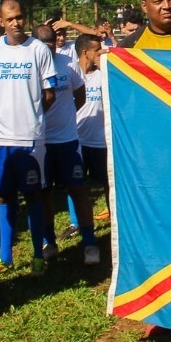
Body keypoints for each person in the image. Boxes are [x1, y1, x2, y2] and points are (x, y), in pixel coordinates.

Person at [0, 0, 57, 275]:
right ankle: (5, 256)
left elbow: (50, 92)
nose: (16, 23)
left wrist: (30, 115)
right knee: (4, 196)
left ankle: (38, 254)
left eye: (20, 17)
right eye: (10, 19)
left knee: (34, 196)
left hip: (30, 138)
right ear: (1, 21)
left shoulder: (38, 49)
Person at [31, 25, 99, 265]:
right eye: (44, 42)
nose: (49, 46)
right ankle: (49, 242)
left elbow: (80, 97)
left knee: (78, 190)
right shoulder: (28, 65)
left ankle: (90, 242)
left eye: (52, 42)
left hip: (68, 142)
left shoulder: (67, 64)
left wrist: (66, 119)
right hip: (39, 142)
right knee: (43, 194)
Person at [72, 35, 109, 222]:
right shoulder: (71, 74)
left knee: (108, 183)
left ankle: (114, 218)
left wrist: (106, 70)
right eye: (97, 50)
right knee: (76, 184)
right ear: (85, 53)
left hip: (101, 142)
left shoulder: (103, 73)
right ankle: (75, 223)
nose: (101, 52)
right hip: (77, 141)